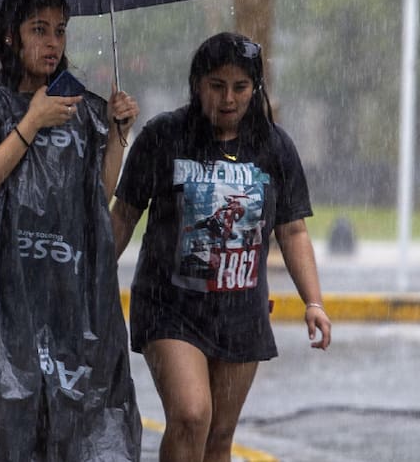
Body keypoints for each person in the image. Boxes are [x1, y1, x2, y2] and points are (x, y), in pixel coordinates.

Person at [0, 0, 144, 460]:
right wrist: (33, 121)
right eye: (39, 30)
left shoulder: (79, 110)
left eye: (60, 31)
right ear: (11, 37)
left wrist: (116, 137)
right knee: (1, 435)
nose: (52, 43)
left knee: (69, 431)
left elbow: (94, 201)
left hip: (63, 302)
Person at [110, 32, 332, 462]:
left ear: (255, 88)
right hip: (169, 306)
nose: (228, 99)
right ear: (197, 84)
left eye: (240, 87)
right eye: (217, 86)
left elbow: (292, 231)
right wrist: (89, 280)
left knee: (218, 437)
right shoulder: (164, 136)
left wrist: (314, 302)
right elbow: (124, 215)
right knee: (191, 415)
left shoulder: (274, 146)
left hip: (240, 311)